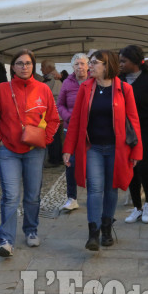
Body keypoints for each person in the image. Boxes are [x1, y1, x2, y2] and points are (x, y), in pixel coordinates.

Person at [62, 50, 143, 251]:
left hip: (117, 148)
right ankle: (93, 233)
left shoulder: (124, 89)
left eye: (95, 63)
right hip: (93, 148)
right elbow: (75, 122)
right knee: (95, 188)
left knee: (111, 188)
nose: (90, 66)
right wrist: (68, 148)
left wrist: (136, 152)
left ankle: (107, 229)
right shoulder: (85, 89)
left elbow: (134, 121)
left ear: (107, 65)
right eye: (90, 62)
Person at [0, 49, 60, 257]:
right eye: (19, 63)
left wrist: (47, 138)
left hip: (35, 150)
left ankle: (31, 230)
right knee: (10, 196)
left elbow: (54, 119)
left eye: (28, 63)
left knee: (33, 195)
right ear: (13, 67)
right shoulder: (1, 90)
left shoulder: (43, 89)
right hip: (8, 150)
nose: (24, 67)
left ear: (33, 66)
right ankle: (6, 240)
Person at [119, 46, 148, 224]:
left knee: (144, 167)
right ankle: (137, 207)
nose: (120, 64)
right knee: (131, 168)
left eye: (124, 61)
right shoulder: (117, 80)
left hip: (145, 129)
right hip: (124, 131)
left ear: (135, 62)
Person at [57, 53, 89, 211]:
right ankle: (72, 198)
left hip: (90, 129)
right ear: (72, 67)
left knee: (91, 163)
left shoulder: (94, 81)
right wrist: (68, 116)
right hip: (70, 129)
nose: (80, 67)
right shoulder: (67, 83)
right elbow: (60, 105)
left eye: (82, 63)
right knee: (70, 163)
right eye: (77, 64)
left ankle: (94, 195)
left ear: (88, 66)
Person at [41, 59, 64, 167]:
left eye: (42, 67)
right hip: (57, 113)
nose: (41, 69)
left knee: (53, 137)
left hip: (53, 113)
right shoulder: (55, 79)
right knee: (57, 137)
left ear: (49, 68)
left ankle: (54, 159)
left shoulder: (51, 80)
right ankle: (57, 158)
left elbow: (49, 96)